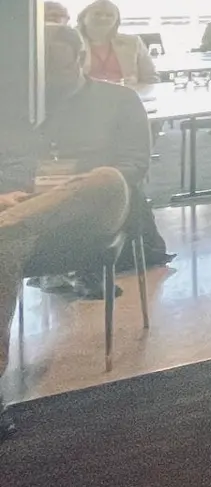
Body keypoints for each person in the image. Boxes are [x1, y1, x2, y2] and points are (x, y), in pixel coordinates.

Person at [0, 153, 130, 437]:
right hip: (18, 229)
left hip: (78, 204)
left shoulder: (117, 109)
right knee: (4, 245)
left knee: (107, 178)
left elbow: (132, 167)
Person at [36, 23, 171, 269]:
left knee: (104, 181)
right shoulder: (19, 105)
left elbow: (135, 165)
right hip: (33, 201)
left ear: (82, 57)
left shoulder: (120, 100)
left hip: (99, 200)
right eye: (42, 69)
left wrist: (77, 182)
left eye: (59, 66)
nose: (50, 77)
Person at [75, 0, 158, 86]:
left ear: (116, 21)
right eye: (97, 14)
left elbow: (151, 78)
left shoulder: (133, 43)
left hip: (126, 94)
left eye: (109, 15)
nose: (103, 18)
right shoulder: (71, 42)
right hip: (85, 95)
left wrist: (136, 85)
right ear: (83, 18)